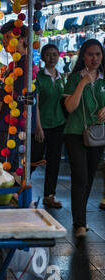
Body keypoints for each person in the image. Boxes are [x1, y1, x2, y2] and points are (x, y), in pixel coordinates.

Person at [63, 39, 105, 238]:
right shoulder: (74, 79)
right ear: (83, 57)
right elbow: (70, 107)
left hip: (97, 135)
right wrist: (83, 82)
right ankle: (80, 223)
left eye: (98, 54)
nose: (95, 58)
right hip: (75, 133)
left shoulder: (104, 79)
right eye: (90, 54)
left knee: (88, 179)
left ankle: (79, 218)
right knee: (80, 178)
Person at [0, 20, 42, 175]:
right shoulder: (16, 66)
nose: (5, 42)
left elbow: (18, 96)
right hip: (12, 123)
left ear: (21, 38)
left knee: (7, 167)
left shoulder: (25, 67)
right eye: (4, 38)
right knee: (11, 167)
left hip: (13, 125)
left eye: (8, 37)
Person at [31, 44, 66, 208]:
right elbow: (35, 104)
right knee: (34, 159)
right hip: (42, 125)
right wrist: (38, 127)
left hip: (58, 125)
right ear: (43, 58)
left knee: (54, 161)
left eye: (54, 54)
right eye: (48, 55)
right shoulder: (38, 77)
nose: (52, 57)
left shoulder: (61, 77)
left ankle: (49, 195)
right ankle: (20, 187)